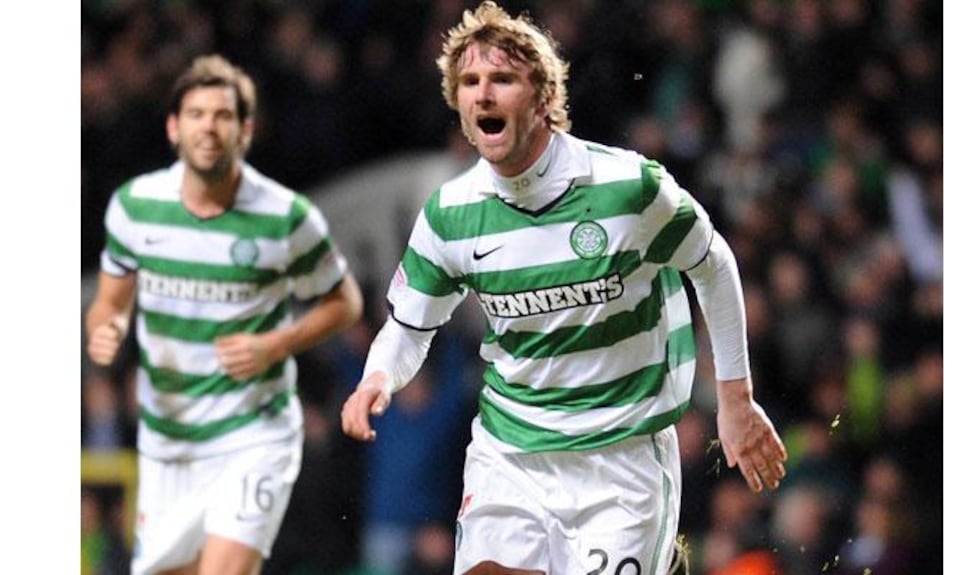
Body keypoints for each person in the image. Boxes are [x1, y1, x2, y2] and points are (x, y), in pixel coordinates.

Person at [340, 3, 787, 574]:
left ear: (545, 97)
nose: (483, 94)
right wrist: (379, 376)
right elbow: (408, 327)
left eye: (502, 79)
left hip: (621, 459)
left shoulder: (627, 188)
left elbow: (713, 263)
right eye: (470, 82)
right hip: (512, 457)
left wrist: (735, 400)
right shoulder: (450, 214)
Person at [85, 54, 364, 575]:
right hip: (170, 440)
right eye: (196, 114)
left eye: (222, 115)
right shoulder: (135, 207)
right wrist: (108, 328)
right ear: (174, 127)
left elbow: (345, 302)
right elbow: (110, 301)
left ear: (245, 130)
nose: (208, 127)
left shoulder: (285, 216)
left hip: (253, 431)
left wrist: (274, 345)